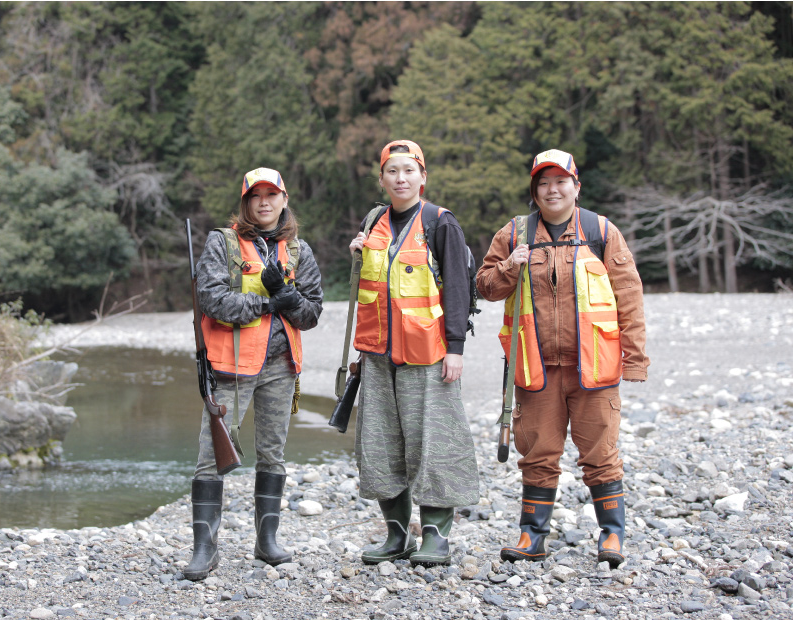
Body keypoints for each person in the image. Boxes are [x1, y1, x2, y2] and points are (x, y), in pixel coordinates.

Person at [476, 149, 649, 568]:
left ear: (576, 186)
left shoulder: (601, 231)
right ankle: (532, 536)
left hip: (594, 366)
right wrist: (509, 268)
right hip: (535, 366)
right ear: (534, 190)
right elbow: (483, 287)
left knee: (600, 452)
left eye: (560, 181)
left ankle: (612, 536)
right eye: (542, 183)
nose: (551, 190)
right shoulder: (514, 233)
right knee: (538, 452)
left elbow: (629, 297)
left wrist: (635, 360)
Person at [184, 167, 323, 581]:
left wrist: (288, 297)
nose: (264, 202)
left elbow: (312, 313)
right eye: (256, 195)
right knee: (210, 461)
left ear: (284, 200)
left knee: (272, 454)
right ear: (245, 202)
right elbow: (211, 300)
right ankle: (204, 549)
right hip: (230, 369)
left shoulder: (300, 251)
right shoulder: (221, 243)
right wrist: (267, 303)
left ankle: (267, 542)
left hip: (281, 369)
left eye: (272, 194)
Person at [348, 140, 480, 567]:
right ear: (382, 178)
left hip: (429, 355)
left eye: (409, 171)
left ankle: (437, 535)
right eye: (392, 171)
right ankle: (396, 534)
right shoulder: (374, 222)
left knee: (435, 444)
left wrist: (456, 349)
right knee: (382, 445)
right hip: (378, 356)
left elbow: (459, 289)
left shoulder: (441, 222)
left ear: (423, 176)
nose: (400, 179)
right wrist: (359, 252)